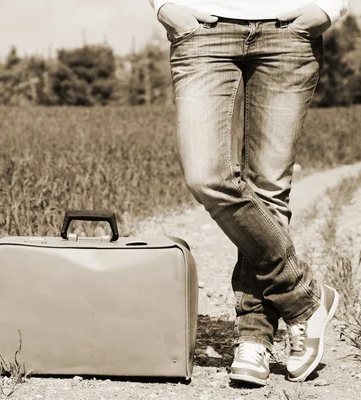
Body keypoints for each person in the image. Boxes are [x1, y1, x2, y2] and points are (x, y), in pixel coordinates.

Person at [148, 0, 349, 387]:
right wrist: (165, 6)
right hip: (202, 28)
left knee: (269, 188)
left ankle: (254, 338)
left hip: (289, 29)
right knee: (207, 177)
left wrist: (329, 8)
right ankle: (303, 296)